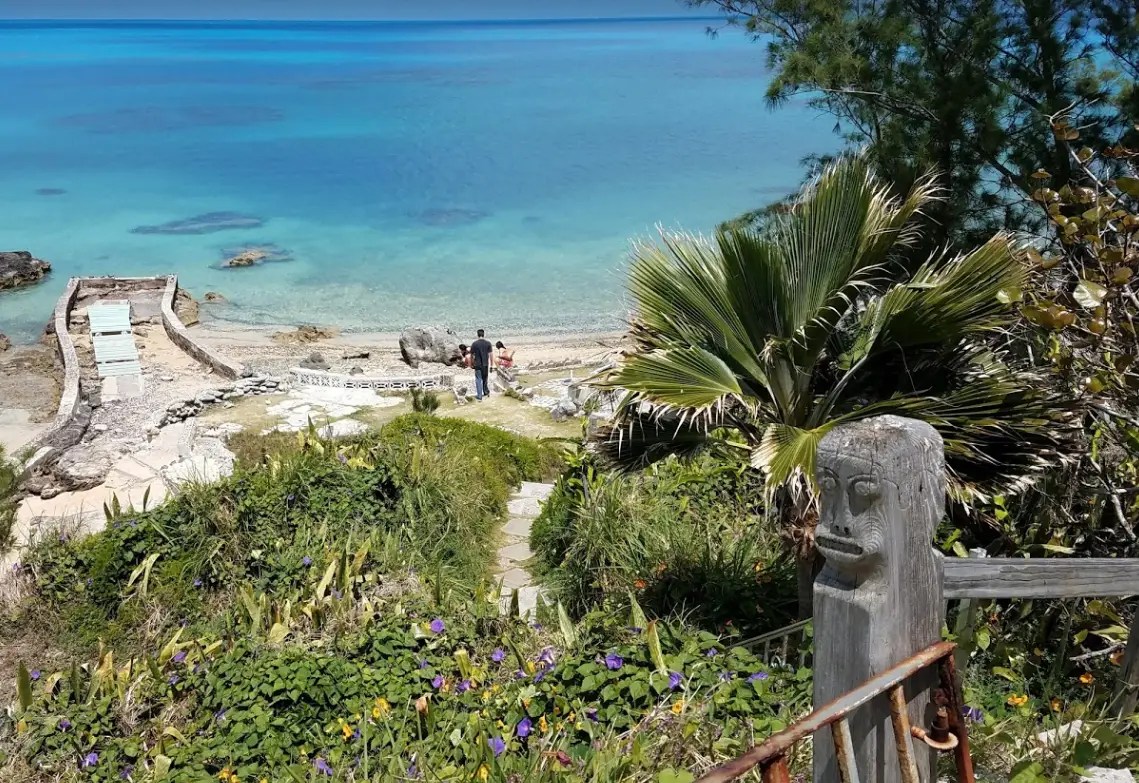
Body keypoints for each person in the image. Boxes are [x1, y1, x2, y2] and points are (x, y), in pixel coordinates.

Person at [469, 329, 494, 401]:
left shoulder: (474, 344)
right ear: (483, 334)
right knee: (485, 379)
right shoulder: (488, 343)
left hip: (478, 364)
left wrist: (471, 364)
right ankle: (486, 392)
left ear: (477, 335)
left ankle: (479, 396)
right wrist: (492, 365)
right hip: (486, 364)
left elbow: (472, 355)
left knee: (478, 379)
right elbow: (491, 355)